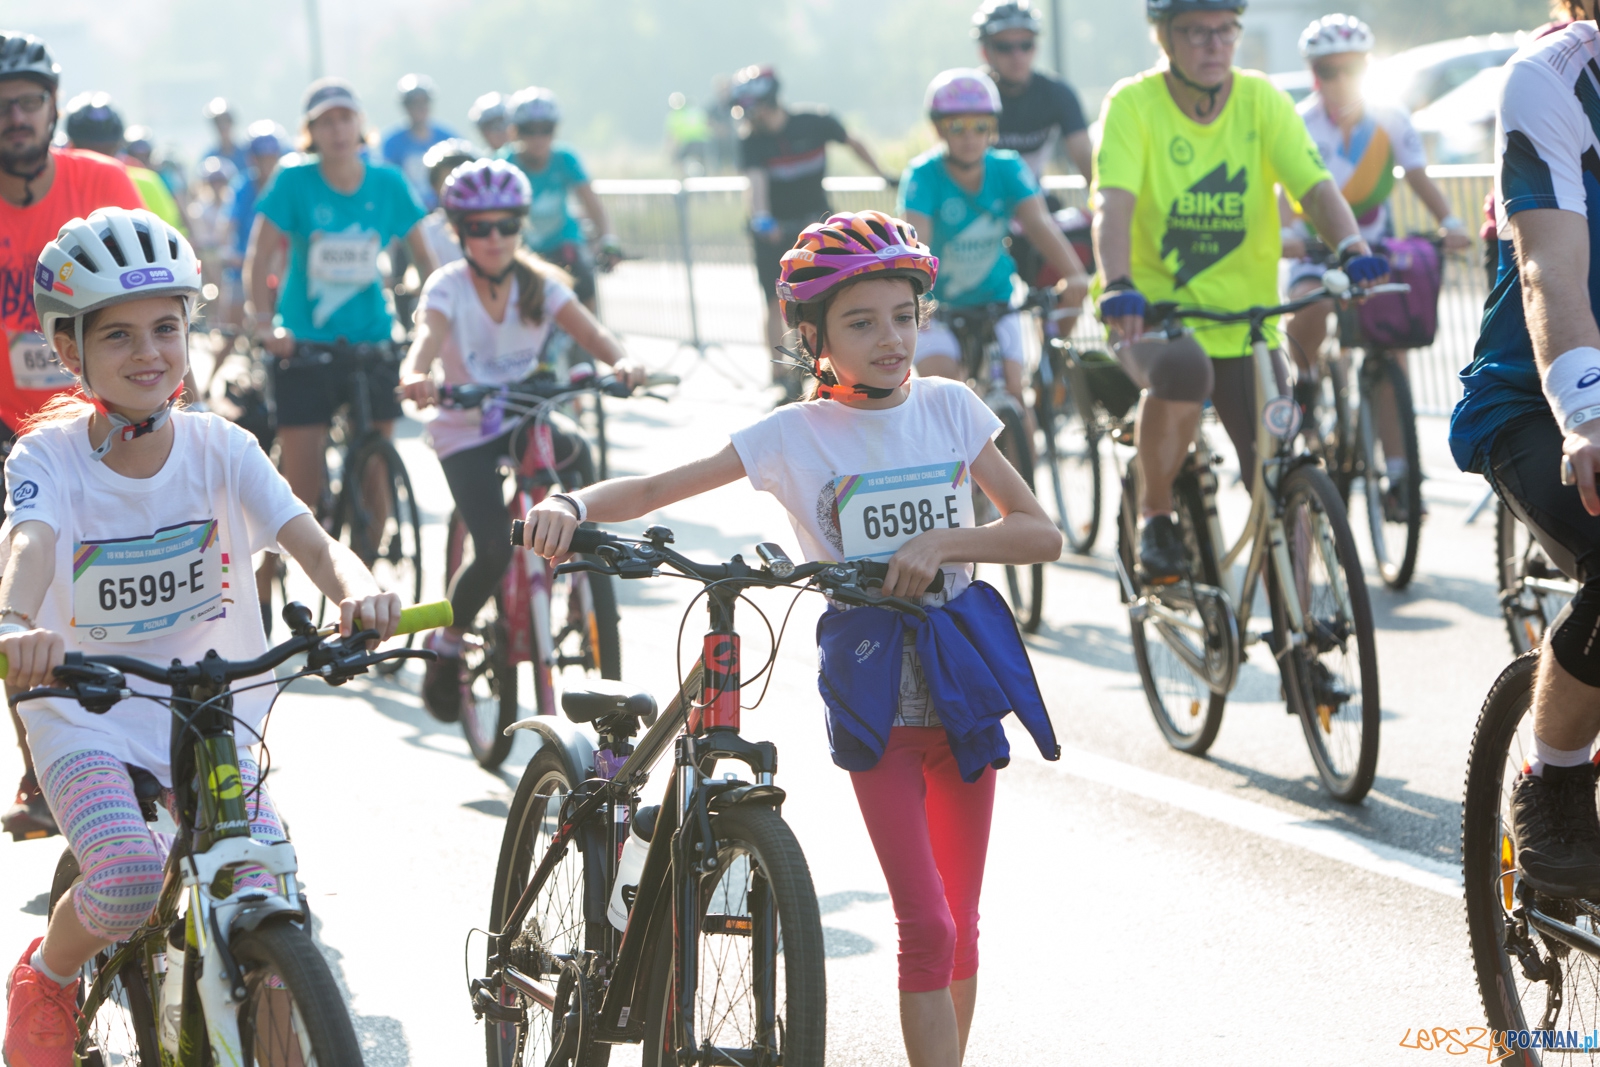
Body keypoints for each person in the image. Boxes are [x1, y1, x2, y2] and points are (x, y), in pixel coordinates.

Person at [521, 209, 1062, 1067]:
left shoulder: (953, 409)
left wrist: (945, 542)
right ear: (813, 335)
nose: (891, 338)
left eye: (903, 316)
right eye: (861, 322)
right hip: (875, 693)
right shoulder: (794, 433)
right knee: (924, 921)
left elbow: (1040, 532)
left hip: (960, 684)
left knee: (962, 923)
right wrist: (572, 504)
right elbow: (663, 484)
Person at [0, 207, 401, 1066]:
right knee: (130, 871)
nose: (148, 353)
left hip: (210, 711)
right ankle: (47, 977)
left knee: (263, 871)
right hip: (86, 712)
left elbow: (313, 540)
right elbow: (28, 549)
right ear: (70, 351)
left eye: (166, 328)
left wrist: (359, 587)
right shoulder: (48, 461)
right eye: (118, 337)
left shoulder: (224, 448)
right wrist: (14, 622)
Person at [1093, 0, 1386, 584]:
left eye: (1225, 31)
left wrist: (1353, 247)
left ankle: (1303, 644)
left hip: (1246, 322)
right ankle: (1155, 517)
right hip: (1152, 313)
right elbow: (1113, 203)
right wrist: (1119, 283)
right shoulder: (1133, 103)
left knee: (1283, 473)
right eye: (1195, 32)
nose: (1213, 45)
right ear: (1165, 38)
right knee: (1183, 369)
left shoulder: (1261, 100)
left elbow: (1314, 185)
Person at [398, 159, 643, 719]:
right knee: (491, 547)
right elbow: (427, 338)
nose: (494, 238)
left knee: (576, 450)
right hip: (465, 430)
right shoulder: (448, 286)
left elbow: (592, 331)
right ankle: (449, 640)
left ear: (521, 227)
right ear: (458, 231)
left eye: (506, 225)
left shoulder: (540, 283)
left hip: (524, 417)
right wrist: (417, 374)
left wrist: (624, 361)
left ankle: (585, 584)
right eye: (479, 228)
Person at [1447, 6, 1600, 898]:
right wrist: (1586, 411)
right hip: (1539, 395)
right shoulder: (1552, 78)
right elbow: (1549, 266)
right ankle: (1554, 780)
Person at [0, 30, 143, 843]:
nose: (14, 119)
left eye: (27, 103)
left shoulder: (101, 180)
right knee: (23, 600)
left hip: (112, 413)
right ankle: (46, 766)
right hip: (8, 424)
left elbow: (158, 288)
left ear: (51, 106)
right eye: (1, 109)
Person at [245, 78, 435, 630]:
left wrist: (429, 323)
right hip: (304, 345)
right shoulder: (294, 181)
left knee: (375, 471)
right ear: (312, 132)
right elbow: (260, 256)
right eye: (325, 121)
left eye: (345, 118)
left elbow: (427, 259)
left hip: (372, 340)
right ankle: (262, 582)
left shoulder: (388, 183)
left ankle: (363, 588)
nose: (336, 130)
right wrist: (264, 325)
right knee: (301, 490)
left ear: (360, 126)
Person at [1281, 13, 1471, 519]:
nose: (1340, 81)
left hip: (1372, 253)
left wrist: (1450, 220)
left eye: (1351, 68)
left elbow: (1416, 175)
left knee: (1391, 350)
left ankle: (1399, 474)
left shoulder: (1390, 116)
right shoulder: (1299, 122)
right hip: (1315, 251)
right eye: (1327, 70)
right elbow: (1282, 193)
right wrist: (1286, 236)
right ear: (1313, 74)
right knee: (1313, 311)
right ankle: (1302, 382)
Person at [899, 68, 1090, 416]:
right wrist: (913, 300)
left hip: (997, 300)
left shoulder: (1007, 167)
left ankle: (1024, 470)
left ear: (994, 127)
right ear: (939, 129)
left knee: (1015, 399)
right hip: (938, 307)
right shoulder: (922, 175)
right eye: (957, 127)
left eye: (980, 125)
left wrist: (1075, 275)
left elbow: (1039, 224)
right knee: (948, 400)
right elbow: (916, 246)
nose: (969, 136)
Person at [734, 64, 900, 397]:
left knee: (834, 296)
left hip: (817, 225)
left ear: (769, 103)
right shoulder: (752, 140)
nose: (749, 118)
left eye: (753, 110)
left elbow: (852, 141)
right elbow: (756, 186)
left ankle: (834, 364)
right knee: (772, 302)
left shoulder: (814, 121)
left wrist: (882, 172)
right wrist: (761, 218)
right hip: (775, 231)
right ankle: (782, 377)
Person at [499, 86, 618, 311]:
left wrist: (608, 240)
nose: (538, 138)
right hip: (522, 248)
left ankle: (589, 341)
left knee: (584, 286)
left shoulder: (565, 159)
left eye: (546, 129)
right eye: (529, 130)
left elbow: (592, 205)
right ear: (514, 132)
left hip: (562, 242)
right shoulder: (504, 164)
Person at [974, 0, 1093, 184]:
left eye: (1025, 45)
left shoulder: (1057, 94)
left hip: (1034, 199)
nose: (1017, 55)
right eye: (1004, 47)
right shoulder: (971, 96)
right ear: (985, 52)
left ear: (1036, 47)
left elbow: (1086, 160)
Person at [62, 92, 185, 235]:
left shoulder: (52, 183)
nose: (96, 162)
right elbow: (170, 241)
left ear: (70, 145)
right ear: (120, 144)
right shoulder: (147, 181)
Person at [382, 73, 457, 212]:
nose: (420, 107)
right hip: (406, 210)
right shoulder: (392, 142)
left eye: (424, 101)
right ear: (405, 106)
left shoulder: (448, 138)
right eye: (414, 102)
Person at [417, 138, 479, 269]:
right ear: (435, 185)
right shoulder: (427, 230)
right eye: (451, 181)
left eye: (466, 180)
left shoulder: (494, 225)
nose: (460, 188)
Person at [665, 91, 712, 176]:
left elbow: (673, 137)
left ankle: (681, 177)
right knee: (704, 163)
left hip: (687, 143)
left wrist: (671, 154)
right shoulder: (695, 111)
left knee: (678, 161)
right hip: (702, 142)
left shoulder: (674, 115)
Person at [202, 95, 249, 176]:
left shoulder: (247, 153)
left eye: (226, 121)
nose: (223, 126)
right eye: (218, 122)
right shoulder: (209, 157)